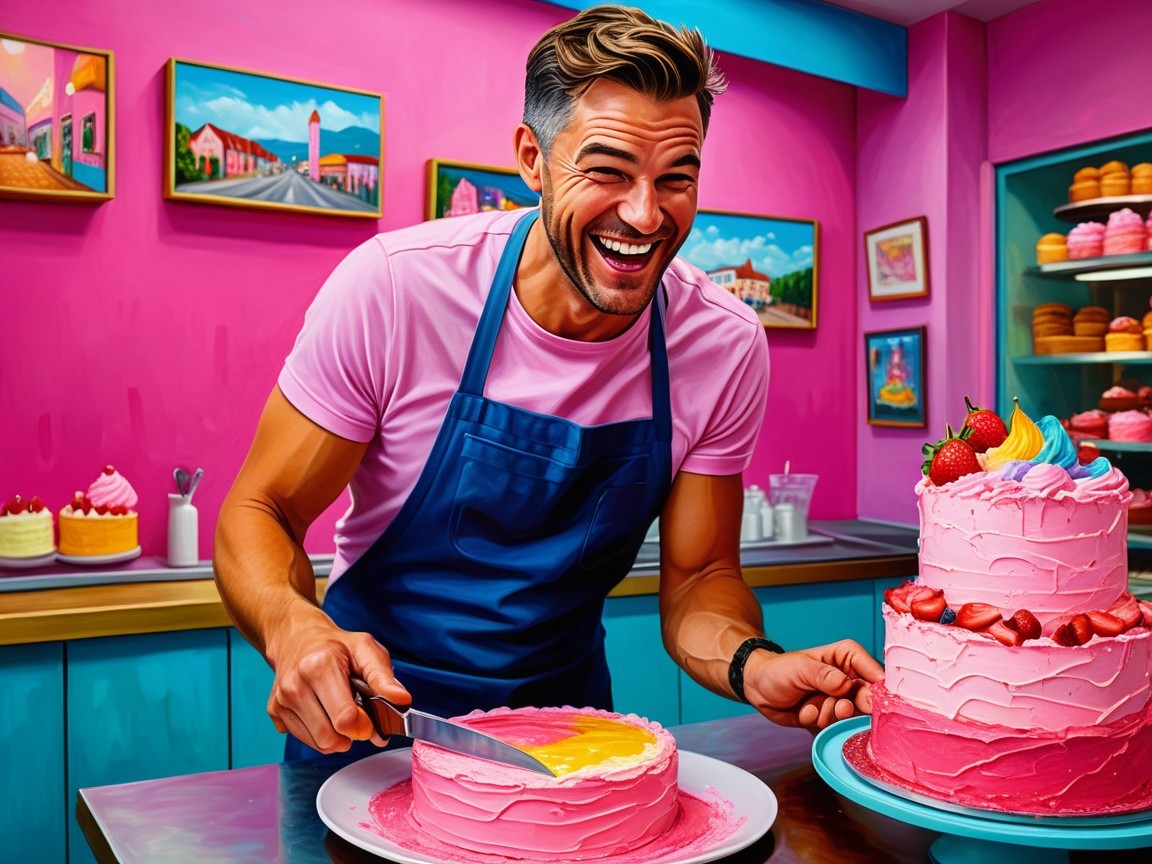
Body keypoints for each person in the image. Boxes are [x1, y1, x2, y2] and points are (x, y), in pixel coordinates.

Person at [214, 4, 883, 761]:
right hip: (369, 727)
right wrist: (292, 625)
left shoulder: (722, 345)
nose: (644, 213)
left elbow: (700, 579)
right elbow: (259, 509)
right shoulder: (398, 290)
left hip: (565, 744)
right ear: (532, 159)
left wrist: (755, 663)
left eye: (676, 178)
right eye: (606, 171)